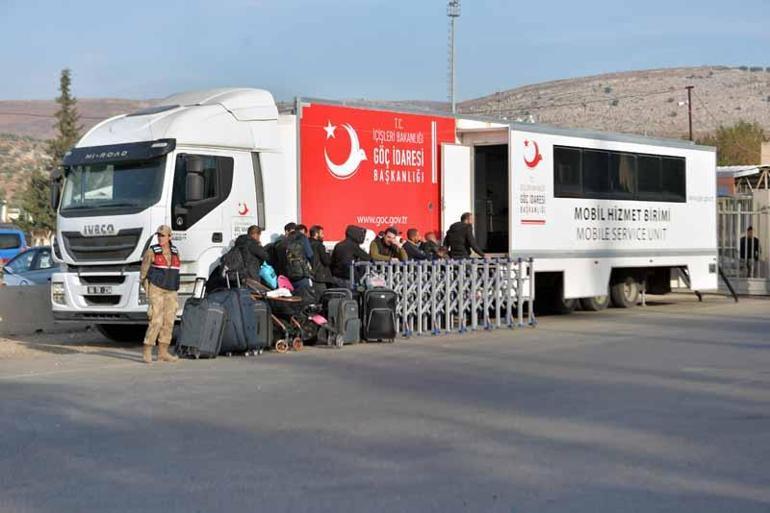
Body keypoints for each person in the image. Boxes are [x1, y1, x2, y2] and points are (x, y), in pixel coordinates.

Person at [139, 225, 180, 364]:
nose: (160, 238)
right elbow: (143, 272)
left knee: (169, 320)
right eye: (159, 235)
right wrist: (146, 288)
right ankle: (148, 348)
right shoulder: (152, 251)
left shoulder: (175, 251)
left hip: (171, 289)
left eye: (163, 235)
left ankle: (163, 352)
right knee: (156, 320)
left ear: (170, 237)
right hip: (156, 288)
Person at [285, 224, 314, 289]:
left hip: (288, 278)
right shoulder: (302, 237)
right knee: (306, 297)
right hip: (302, 276)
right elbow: (310, 255)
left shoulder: (284, 241)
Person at [309, 224, 337, 291]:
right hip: (320, 277)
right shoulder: (319, 245)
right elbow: (326, 261)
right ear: (316, 234)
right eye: (321, 233)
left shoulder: (307, 244)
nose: (323, 235)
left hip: (310, 276)